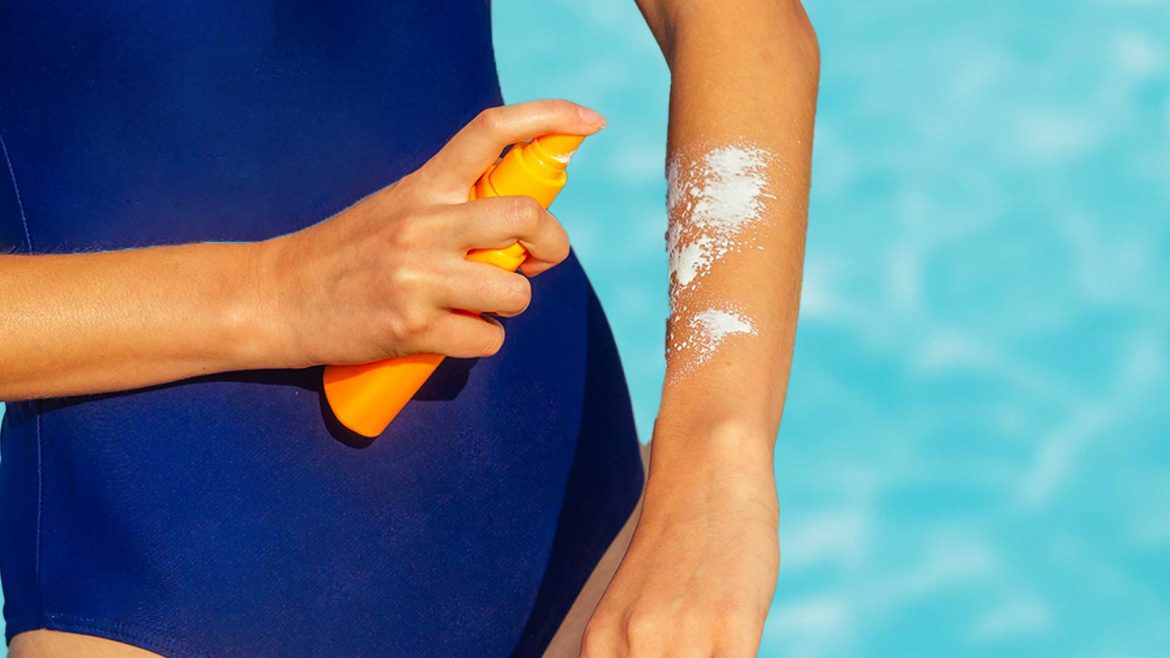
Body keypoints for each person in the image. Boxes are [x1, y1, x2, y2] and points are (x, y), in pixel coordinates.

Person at [0, 1, 818, 656]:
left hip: (582, 529)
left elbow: (739, 17)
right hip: (163, 582)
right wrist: (279, 292)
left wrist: (717, 464)